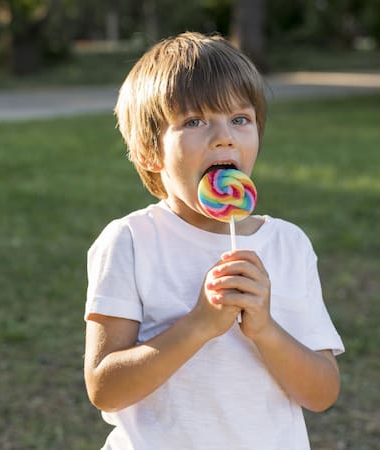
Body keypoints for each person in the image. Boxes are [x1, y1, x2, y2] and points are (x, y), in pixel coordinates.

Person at [84, 32, 344, 450]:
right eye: (195, 121)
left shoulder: (288, 245)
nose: (224, 137)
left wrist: (265, 329)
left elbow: (322, 393)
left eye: (240, 119)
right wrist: (199, 325)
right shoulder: (131, 241)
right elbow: (105, 388)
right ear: (150, 151)